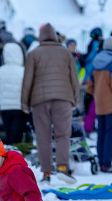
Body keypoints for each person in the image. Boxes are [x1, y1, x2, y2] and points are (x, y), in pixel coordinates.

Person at [21, 23, 81, 183]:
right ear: (55, 36)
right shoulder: (66, 53)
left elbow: (27, 80)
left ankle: (46, 173)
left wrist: (24, 104)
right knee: (63, 135)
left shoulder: (33, 54)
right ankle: (62, 168)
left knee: (43, 137)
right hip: (63, 99)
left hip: (40, 101)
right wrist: (75, 100)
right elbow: (74, 79)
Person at [88, 35, 112, 173]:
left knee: (101, 134)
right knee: (110, 135)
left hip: (100, 104)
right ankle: (107, 164)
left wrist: (97, 96)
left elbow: (90, 85)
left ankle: (101, 163)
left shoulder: (96, 61)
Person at [0, 42, 28, 144]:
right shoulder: (22, 71)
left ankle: (9, 153)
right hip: (18, 107)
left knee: (8, 132)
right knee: (17, 134)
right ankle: (16, 154)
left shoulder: (0, 71)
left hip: (4, 107)